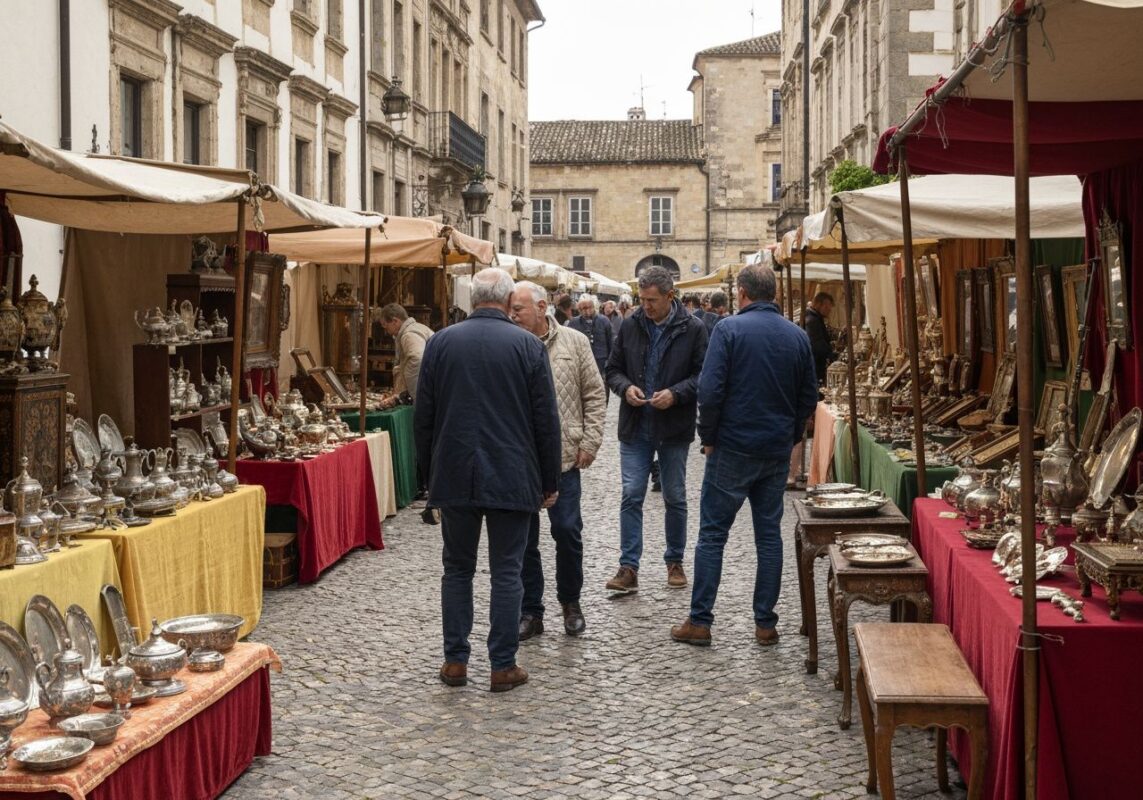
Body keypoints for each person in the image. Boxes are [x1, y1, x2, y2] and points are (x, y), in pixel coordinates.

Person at [414, 267, 561, 693]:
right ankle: (502, 664)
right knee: (507, 572)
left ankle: (455, 662)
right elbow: (545, 422)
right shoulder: (528, 346)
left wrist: (429, 477)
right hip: (513, 473)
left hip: (456, 471)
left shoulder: (441, 342)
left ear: (473, 297)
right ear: (505, 298)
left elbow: (423, 419)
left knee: (457, 570)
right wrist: (550, 479)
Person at [670, 263, 818, 647]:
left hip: (733, 446)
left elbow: (711, 390)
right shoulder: (797, 336)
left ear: (742, 294)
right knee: (769, 537)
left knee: (713, 535)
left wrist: (709, 436)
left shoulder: (730, 329)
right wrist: (790, 436)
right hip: (773, 449)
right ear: (775, 295)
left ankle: (700, 620)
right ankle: (765, 623)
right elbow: (807, 397)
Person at [510, 281, 606, 639]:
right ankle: (531, 610)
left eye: (518, 309)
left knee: (567, 532)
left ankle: (570, 601)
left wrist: (591, 441)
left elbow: (595, 394)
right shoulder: (511, 343)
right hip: (522, 458)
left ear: (540, 307)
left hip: (565, 457)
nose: (512, 315)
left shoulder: (574, 342)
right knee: (524, 539)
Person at [604, 266, 708, 593]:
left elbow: (703, 375)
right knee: (631, 493)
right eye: (642, 299)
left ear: (669, 297)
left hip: (673, 426)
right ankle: (628, 566)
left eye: (652, 300)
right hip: (635, 425)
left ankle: (674, 560)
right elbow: (613, 369)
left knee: (675, 496)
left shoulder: (693, 329)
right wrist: (626, 389)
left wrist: (676, 394)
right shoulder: (632, 324)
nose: (645, 306)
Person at [378, 304, 434, 405]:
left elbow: (417, 359)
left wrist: (415, 396)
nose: (387, 332)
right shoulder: (416, 329)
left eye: (386, 327)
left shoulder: (409, 335)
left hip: (426, 395)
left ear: (395, 321)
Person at [568, 293, 614, 385]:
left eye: (589, 307)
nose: (587, 311)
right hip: (581, 366)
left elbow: (611, 344)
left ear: (594, 306)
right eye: (583, 309)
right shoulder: (573, 323)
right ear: (579, 310)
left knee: (603, 393)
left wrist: (609, 365)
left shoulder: (604, 321)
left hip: (601, 365)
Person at [805, 291, 838, 384]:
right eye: (827, 306)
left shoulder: (816, 318)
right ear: (818, 304)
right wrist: (830, 353)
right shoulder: (812, 320)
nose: (829, 309)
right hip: (815, 365)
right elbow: (816, 345)